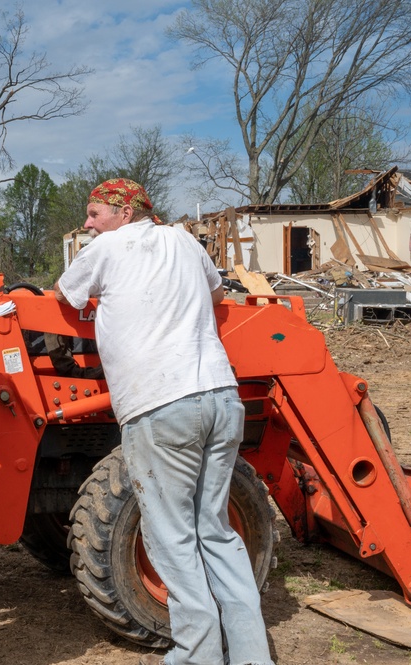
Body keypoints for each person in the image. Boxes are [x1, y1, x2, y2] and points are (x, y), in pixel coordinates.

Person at [54, 178, 274, 665]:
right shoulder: (184, 240)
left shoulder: (105, 248)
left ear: (124, 212)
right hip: (220, 397)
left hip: (160, 406)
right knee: (214, 529)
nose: (87, 223)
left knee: (170, 537)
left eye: (94, 213)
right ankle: (251, 655)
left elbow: (66, 297)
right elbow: (217, 295)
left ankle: (198, 656)